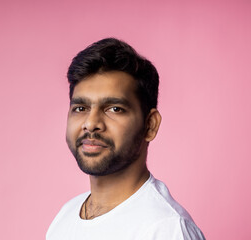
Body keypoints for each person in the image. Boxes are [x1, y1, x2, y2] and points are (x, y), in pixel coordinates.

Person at [46, 38, 205, 240]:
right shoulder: (65, 217)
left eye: (114, 109)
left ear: (150, 125)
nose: (91, 123)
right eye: (81, 108)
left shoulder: (166, 229)